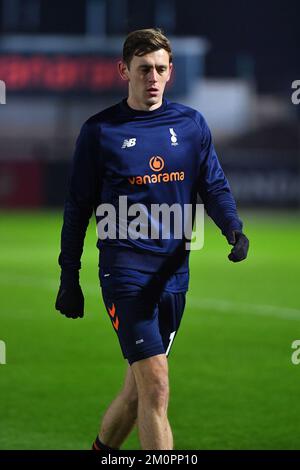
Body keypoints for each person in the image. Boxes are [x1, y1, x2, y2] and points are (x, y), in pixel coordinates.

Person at [55, 28, 249, 451]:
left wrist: (232, 228)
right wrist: (69, 276)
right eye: (144, 70)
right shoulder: (100, 132)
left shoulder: (191, 124)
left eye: (161, 69)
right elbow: (77, 208)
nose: (153, 78)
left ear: (171, 72)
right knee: (157, 386)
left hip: (174, 277)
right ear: (124, 71)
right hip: (126, 274)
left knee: (136, 391)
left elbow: (212, 185)